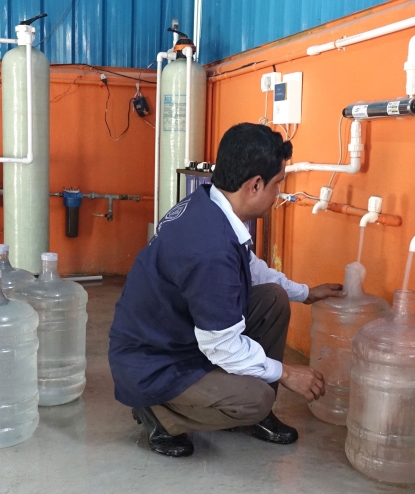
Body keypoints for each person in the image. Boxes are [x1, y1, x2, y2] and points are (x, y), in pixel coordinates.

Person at [108, 123, 344, 458]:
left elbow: (249, 266)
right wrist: (288, 373)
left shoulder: (209, 203)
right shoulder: (210, 249)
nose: (278, 195)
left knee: (273, 299)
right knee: (255, 399)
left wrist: (305, 292)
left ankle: (249, 415)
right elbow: (222, 346)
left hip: (177, 333)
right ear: (255, 185)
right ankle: (158, 413)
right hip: (153, 361)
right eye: (277, 185)